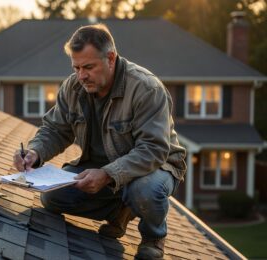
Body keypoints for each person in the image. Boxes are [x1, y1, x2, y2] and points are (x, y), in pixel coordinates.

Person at [13, 24, 186, 259]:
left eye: (88, 67)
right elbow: (55, 129)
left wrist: (107, 173)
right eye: (76, 67)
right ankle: (119, 211)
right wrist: (34, 152)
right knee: (52, 198)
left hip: (156, 166)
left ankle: (153, 237)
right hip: (99, 167)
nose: (81, 75)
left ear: (111, 58)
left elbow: (153, 150)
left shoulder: (146, 88)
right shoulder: (73, 87)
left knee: (145, 190)